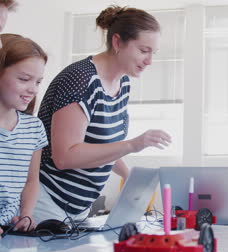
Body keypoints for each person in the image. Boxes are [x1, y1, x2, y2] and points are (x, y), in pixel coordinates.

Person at [33, 6, 171, 223]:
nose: (149, 61)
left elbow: (102, 143)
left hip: (80, 207)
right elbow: (65, 156)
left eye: (153, 53)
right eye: (144, 50)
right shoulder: (80, 80)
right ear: (117, 42)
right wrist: (134, 144)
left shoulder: (123, 83)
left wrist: (128, 174)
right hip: (47, 201)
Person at [0, 33, 48, 234]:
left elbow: (31, 180)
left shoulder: (34, 128)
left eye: (38, 82)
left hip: (9, 229)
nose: (33, 89)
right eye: (24, 79)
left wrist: (27, 213)